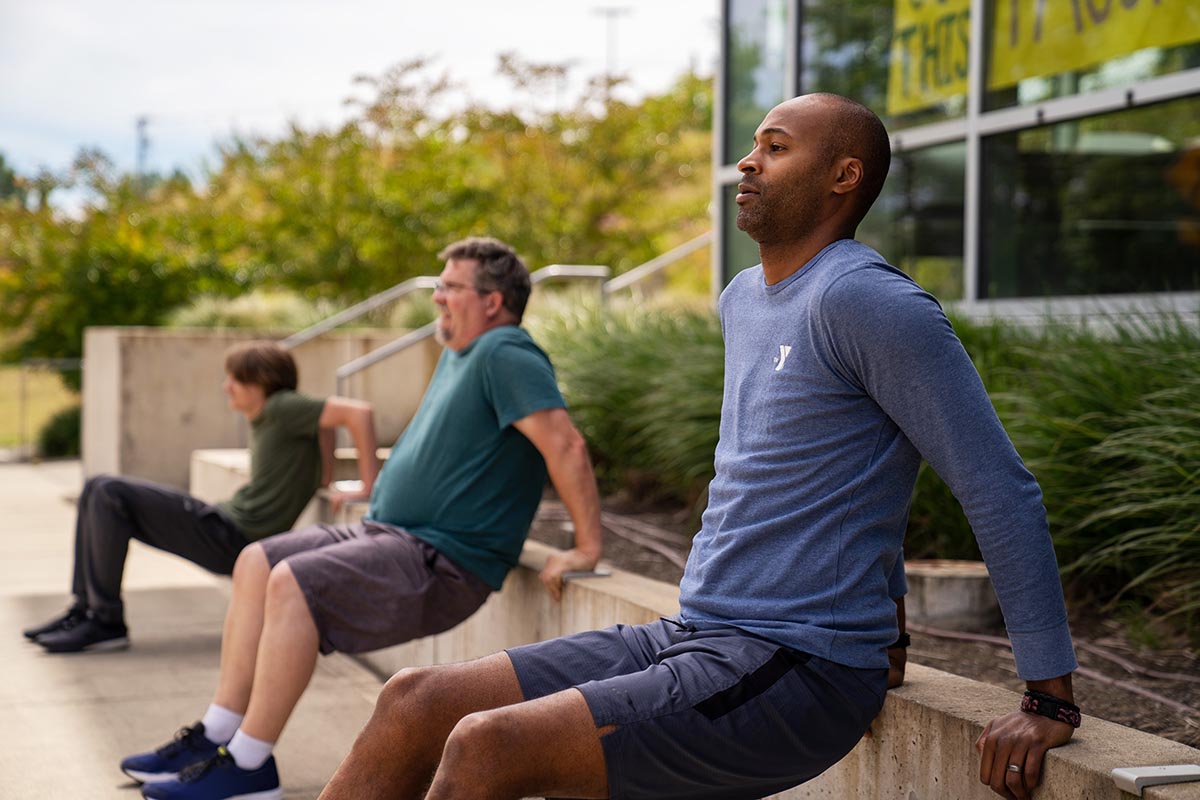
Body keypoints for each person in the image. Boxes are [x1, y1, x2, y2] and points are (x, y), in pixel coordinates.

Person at [316, 94, 1081, 800]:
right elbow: (825, 464)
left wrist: (1049, 695)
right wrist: (895, 626)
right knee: (415, 700)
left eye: (776, 149)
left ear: (844, 177)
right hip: (696, 632)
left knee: (487, 746)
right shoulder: (744, 298)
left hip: (796, 668)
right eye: (753, 146)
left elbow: (997, 488)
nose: (748, 163)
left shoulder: (873, 302)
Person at [121, 237, 604, 800]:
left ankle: (249, 766)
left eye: (450, 286)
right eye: (438, 285)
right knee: (256, 559)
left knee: (292, 582)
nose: (437, 297)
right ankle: (218, 733)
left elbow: (565, 445)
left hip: (439, 556)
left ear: (493, 301)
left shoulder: (507, 353)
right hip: (389, 533)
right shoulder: (462, 354)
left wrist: (586, 547)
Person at [23, 341, 380, 654]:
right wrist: (326, 476)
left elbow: (358, 413)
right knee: (95, 489)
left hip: (233, 536)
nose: (227, 387)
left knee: (108, 491)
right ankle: (85, 610)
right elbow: (325, 423)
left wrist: (368, 487)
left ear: (263, 382)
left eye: (236, 379)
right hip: (224, 525)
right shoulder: (280, 414)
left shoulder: (281, 406)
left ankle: (103, 620)